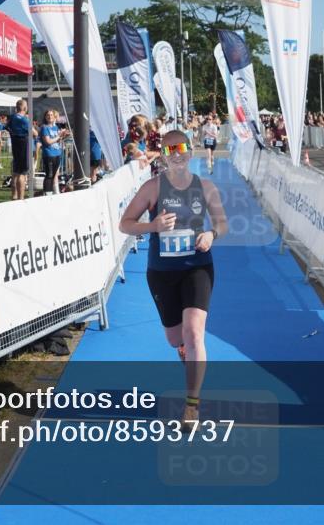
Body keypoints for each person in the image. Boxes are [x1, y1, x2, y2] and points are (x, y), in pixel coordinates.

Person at [118, 130, 227, 426]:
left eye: (181, 149)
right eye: (169, 150)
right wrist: (152, 225)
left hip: (198, 267)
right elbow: (125, 225)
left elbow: (221, 223)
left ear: (189, 153)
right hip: (163, 273)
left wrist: (211, 234)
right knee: (175, 338)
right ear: (163, 156)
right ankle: (184, 349)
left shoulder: (205, 187)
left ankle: (192, 405)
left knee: (194, 334)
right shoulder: (152, 188)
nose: (176, 155)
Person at [7, 99, 33, 201]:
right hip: (23, 146)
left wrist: (14, 134)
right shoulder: (24, 120)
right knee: (22, 174)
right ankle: (21, 198)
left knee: (15, 172)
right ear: (24, 108)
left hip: (15, 145)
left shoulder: (12, 117)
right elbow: (34, 133)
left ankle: (14, 195)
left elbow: (7, 127)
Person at [39, 109, 68, 194]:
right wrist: (59, 136)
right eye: (48, 115)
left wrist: (64, 136)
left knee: (55, 175)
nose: (50, 116)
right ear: (45, 117)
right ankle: (47, 193)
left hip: (57, 153)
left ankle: (55, 192)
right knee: (49, 175)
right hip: (49, 154)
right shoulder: (44, 127)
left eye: (51, 115)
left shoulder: (55, 127)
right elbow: (48, 142)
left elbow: (58, 140)